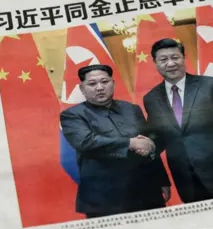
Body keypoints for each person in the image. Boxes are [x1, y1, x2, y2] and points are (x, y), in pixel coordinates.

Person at [143, 38, 213, 203]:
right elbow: (158, 138)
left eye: (175, 57)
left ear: (184, 58)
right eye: (163, 59)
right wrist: (138, 145)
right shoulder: (151, 98)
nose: (170, 63)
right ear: (155, 63)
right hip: (185, 179)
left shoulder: (209, 85)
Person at [60, 64, 171, 219]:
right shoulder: (72, 115)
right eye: (92, 84)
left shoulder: (132, 109)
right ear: (82, 89)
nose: (99, 87)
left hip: (146, 191)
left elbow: (148, 143)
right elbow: (86, 142)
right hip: (104, 198)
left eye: (105, 82)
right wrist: (129, 143)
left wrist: (162, 180)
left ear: (113, 83)